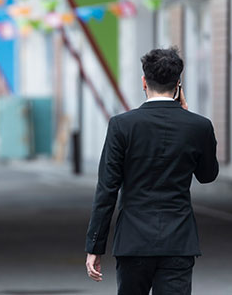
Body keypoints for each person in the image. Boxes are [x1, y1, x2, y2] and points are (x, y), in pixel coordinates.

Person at [85, 47, 218, 295]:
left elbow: (107, 190)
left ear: (144, 82)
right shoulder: (199, 126)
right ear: (178, 84)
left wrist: (95, 246)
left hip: (133, 242)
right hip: (179, 241)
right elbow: (207, 175)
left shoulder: (121, 126)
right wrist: (190, 124)